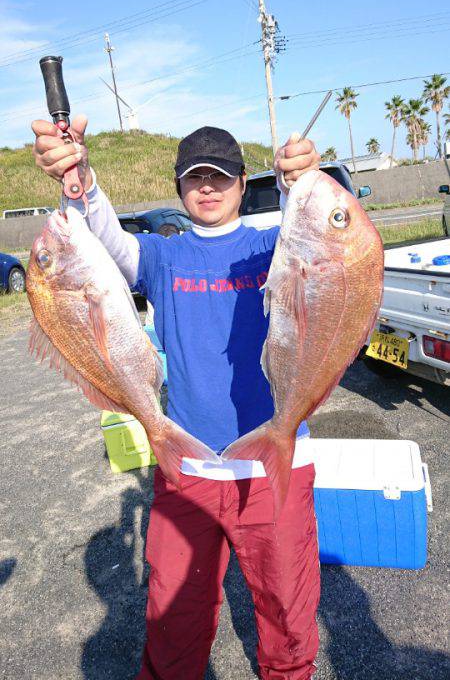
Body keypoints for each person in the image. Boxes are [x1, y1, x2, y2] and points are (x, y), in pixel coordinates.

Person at [32, 116, 321, 680]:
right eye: (195, 178)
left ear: (243, 183)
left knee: (289, 609)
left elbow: (311, 232)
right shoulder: (162, 257)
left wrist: (299, 184)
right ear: (179, 187)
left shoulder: (270, 248)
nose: (207, 188)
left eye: (220, 176)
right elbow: (104, 240)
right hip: (185, 465)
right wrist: (81, 179)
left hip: (276, 465)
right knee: (173, 617)